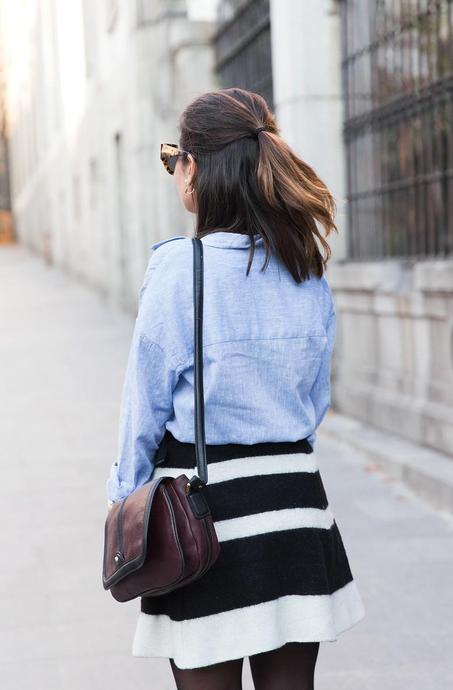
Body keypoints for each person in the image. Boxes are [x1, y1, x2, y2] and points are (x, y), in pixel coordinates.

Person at [106, 87, 366, 690]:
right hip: (298, 512)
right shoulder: (305, 266)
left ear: (195, 169)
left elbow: (141, 409)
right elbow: (314, 402)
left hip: (208, 521)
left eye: (175, 159)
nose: (175, 172)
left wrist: (124, 498)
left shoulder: (179, 270)